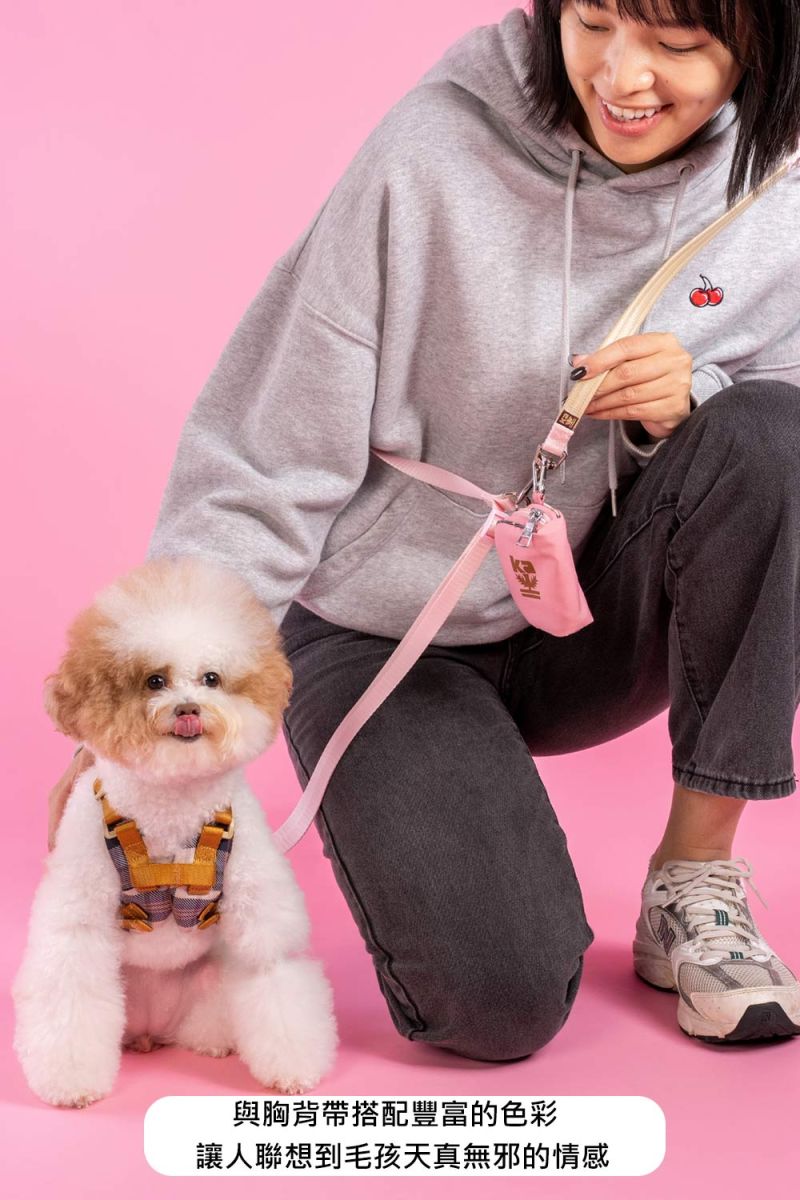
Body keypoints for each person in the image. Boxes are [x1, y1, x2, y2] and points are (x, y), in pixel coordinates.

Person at [50, 1, 800, 1056]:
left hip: (593, 616)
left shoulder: (778, 189)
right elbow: (268, 451)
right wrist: (141, 704)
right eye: (593, 21)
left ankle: (694, 878)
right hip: (387, 633)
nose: (620, 75)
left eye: (676, 45)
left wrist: (694, 397)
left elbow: (772, 442)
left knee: (771, 435)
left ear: (761, 43)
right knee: (495, 1005)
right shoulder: (430, 151)